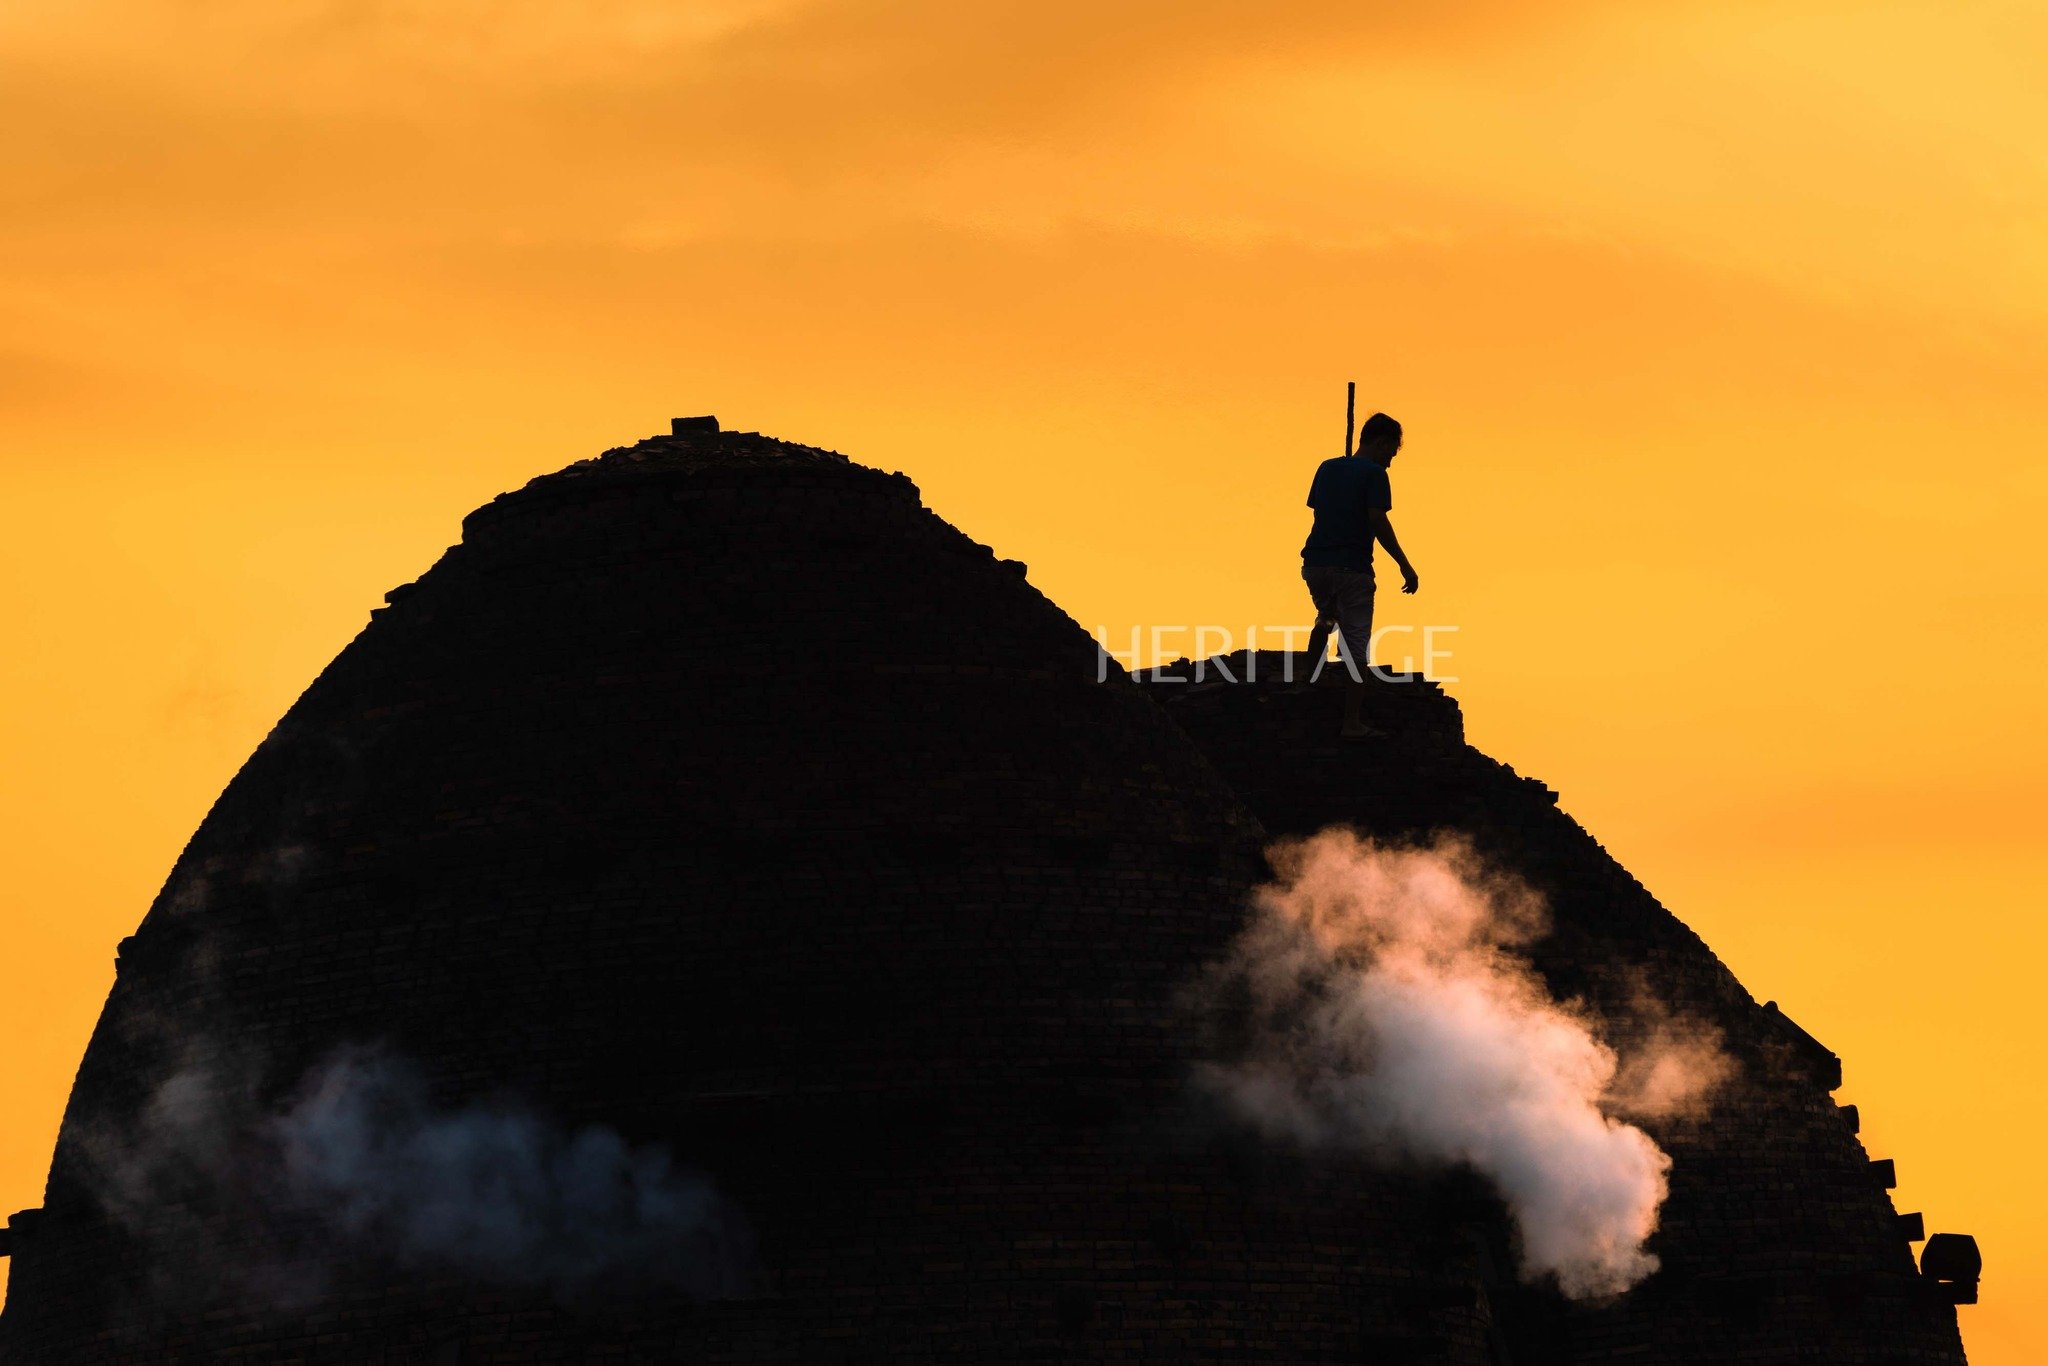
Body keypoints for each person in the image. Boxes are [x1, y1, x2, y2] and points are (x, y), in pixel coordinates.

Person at [1300, 411, 1420, 736]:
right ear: (1381, 443)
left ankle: (1324, 620)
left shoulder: (1327, 468)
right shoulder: (1375, 475)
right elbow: (1377, 520)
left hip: (1315, 565)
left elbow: (1321, 511)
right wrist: (1404, 564)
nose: (1390, 462)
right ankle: (1351, 723)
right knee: (1356, 647)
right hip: (1352, 568)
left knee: (1329, 608)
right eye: (1391, 453)